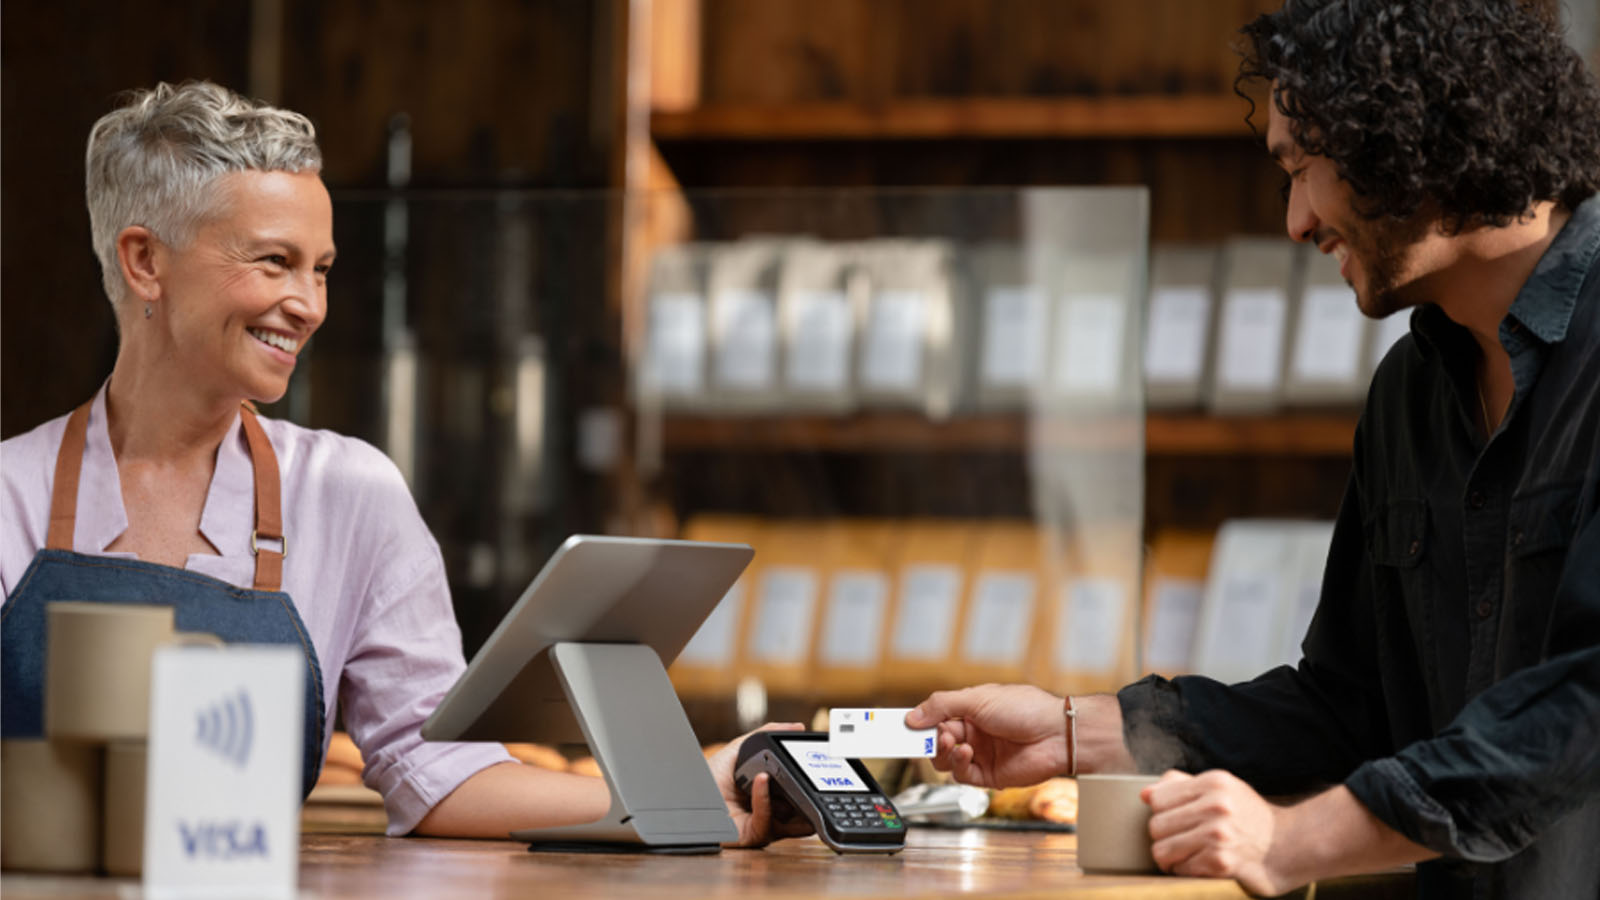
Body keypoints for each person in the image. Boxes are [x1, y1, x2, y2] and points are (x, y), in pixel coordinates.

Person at [908, 2, 1600, 897]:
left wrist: (1291, 841)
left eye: (1303, 168)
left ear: (1412, 136)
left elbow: (1586, 702)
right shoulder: (1406, 397)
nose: (1296, 220)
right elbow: (1347, 707)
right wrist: (1077, 731)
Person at [0, 80, 799, 844]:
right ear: (145, 262)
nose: (308, 305)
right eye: (274, 263)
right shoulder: (11, 494)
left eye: (321, 270)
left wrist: (687, 799)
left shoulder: (349, 493)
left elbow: (433, 769)